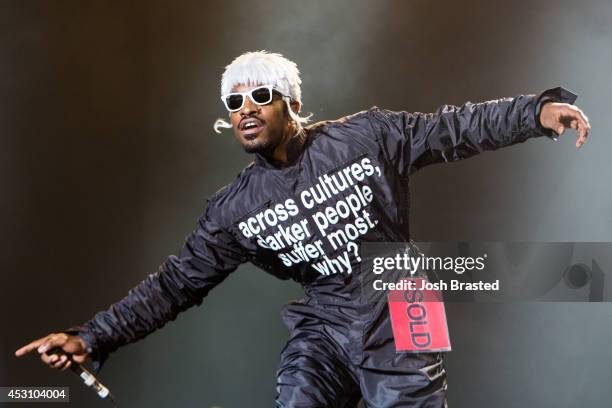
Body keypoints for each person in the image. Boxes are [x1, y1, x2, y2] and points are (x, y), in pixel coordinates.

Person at [16, 51, 591, 407]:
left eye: (260, 95)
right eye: (234, 100)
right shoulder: (233, 209)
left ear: (291, 103)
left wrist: (536, 112)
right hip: (324, 323)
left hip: (404, 300)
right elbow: (173, 285)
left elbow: (454, 127)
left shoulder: (365, 136)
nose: (245, 107)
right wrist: (92, 336)